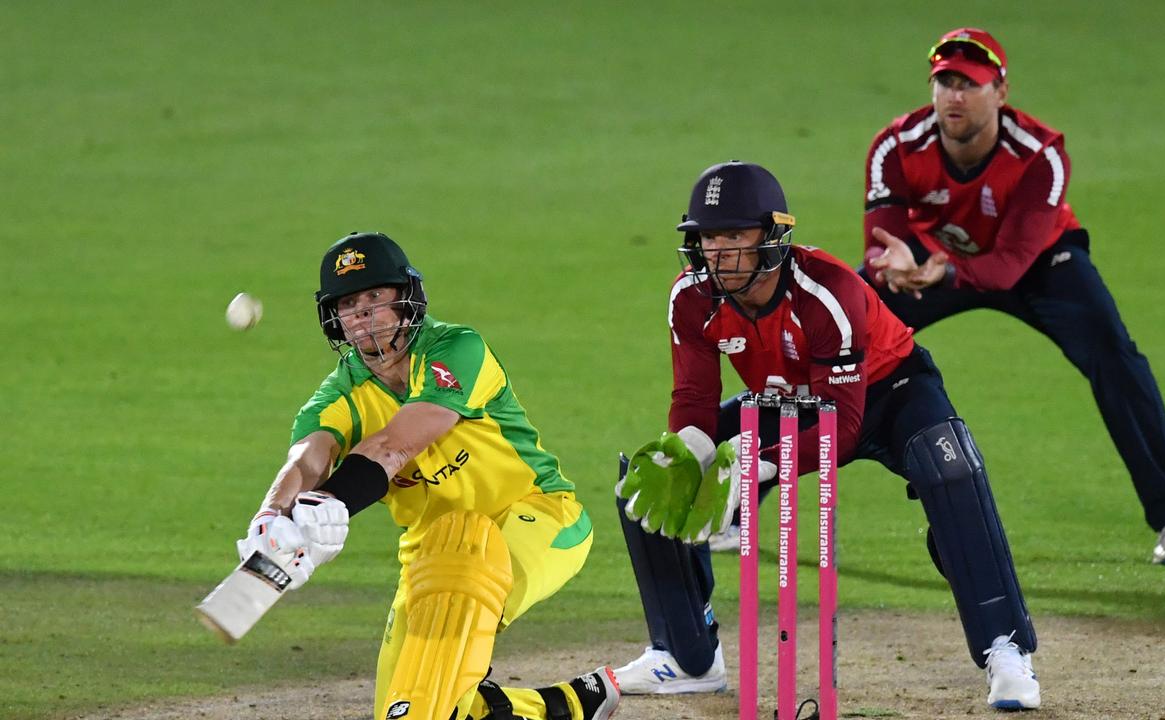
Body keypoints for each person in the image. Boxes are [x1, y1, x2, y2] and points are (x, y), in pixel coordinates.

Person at [612, 161, 1042, 710]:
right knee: (654, 483)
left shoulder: (827, 291)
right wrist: (692, 451)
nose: (716, 253)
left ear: (771, 237)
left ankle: (1005, 650)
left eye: (733, 237)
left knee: (950, 467)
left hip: (889, 391)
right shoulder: (692, 296)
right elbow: (693, 399)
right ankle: (686, 656)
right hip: (783, 398)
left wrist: (755, 464)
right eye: (707, 238)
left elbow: (843, 424)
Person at [234, 231, 620, 720]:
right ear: (335, 321)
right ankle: (567, 705)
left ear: (406, 297)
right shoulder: (337, 397)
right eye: (349, 304)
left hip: (536, 520)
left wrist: (330, 503)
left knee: (429, 691)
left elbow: (397, 445)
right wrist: (271, 516)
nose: (363, 314)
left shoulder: (457, 350)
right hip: (429, 554)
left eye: (375, 296)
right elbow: (308, 460)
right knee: (409, 707)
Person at [859, 28, 1165, 566]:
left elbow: (1006, 267)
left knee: (1115, 357)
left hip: (1038, 265)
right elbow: (883, 245)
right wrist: (895, 266)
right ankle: (749, 498)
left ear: (1001, 92)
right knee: (838, 330)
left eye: (970, 84)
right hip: (932, 266)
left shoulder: (1041, 155)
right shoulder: (895, 146)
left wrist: (941, 272)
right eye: (946, 82)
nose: (955, 95)